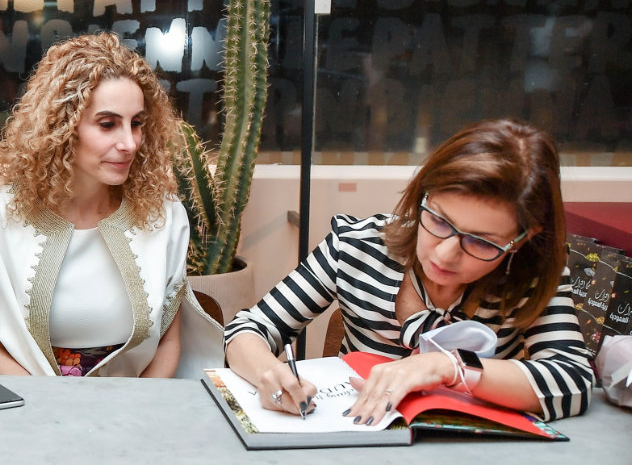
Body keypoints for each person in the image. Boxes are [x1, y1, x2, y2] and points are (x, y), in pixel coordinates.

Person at [225, 118, 594, 423]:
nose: (447, 254)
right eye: (439, 220)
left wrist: (449, 367)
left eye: (482, 242)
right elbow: (248, 328)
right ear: (422, 195)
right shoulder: (357, 246)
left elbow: (574, 379)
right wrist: (268, 377)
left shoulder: (531, 272)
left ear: (521, 239)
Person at [0, 32, 223, 377]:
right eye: (108, 124)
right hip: (27, 406)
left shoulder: (164, 216)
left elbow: (167, 344)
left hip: (133, 410)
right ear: (63, 126)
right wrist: (53, 416)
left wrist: (127, 420)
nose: (130, 143)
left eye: (137, 124)